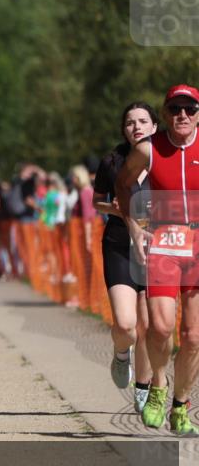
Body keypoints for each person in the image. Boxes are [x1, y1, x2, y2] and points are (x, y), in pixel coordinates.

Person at [117, 84, 199, 435]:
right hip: (164, 242)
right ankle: (159, 386)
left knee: (193, 336)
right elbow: (122, 185)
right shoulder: (149, 149)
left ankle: (181, 404)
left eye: (190, 109)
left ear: (198, 114)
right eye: (175, 109)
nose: (182, 115)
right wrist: (134, 227)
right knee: (161, 327)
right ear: (164, 115)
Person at [92, 102, 158, 410]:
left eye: (143, 121)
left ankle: (143, 389)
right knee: (126, 324)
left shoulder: (166, 161)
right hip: (119, 243)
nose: (137, 127)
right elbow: (97, 203)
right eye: (130, 123)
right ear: (124, 130)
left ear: (155, 126)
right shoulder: (112, 162)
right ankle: (121, 354)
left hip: (157, 247)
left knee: (149, 325)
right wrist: (115, 209)